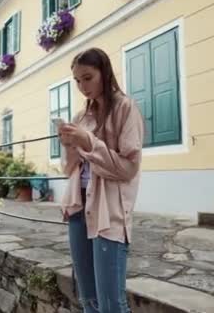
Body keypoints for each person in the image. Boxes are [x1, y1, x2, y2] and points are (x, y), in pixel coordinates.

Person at [58, 47, 143, 313]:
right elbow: (68, 169)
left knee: (111, 304)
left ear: (104, 73)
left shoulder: (125, 108)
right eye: (77, 80)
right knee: (88, 300)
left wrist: (89, 142)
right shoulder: (80, 117)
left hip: (109, 212)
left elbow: (128, 168)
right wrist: (70, 145)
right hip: (78, 208)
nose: (82, 86)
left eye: (88, 77)